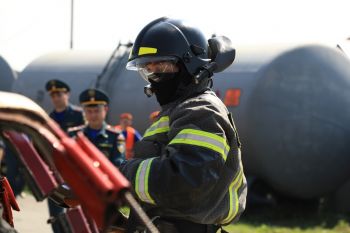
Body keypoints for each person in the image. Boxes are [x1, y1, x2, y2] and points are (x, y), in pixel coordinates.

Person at [119, 17, 247, 233]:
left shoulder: (201, 110)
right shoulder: (178, 110)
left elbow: (183, 181)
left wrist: (119, 175)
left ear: (188, 65)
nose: (153, 77)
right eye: (147, 69)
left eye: (160, 64)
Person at [45, 79, 85, 233]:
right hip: (55, 171)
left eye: (59, 94)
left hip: (75, 170)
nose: (56, 98)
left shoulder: (79, 115)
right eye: (53, 95)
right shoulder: (48, 119)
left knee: (76, 210)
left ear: (67, 94)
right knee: (55, 211)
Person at [69, 88, 126, 167]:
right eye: (89, 111)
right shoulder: (74, 134)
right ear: (84, 111)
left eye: (97, 111)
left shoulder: (115, 136)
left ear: (105, 110)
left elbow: (119, 164)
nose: (93, 115)